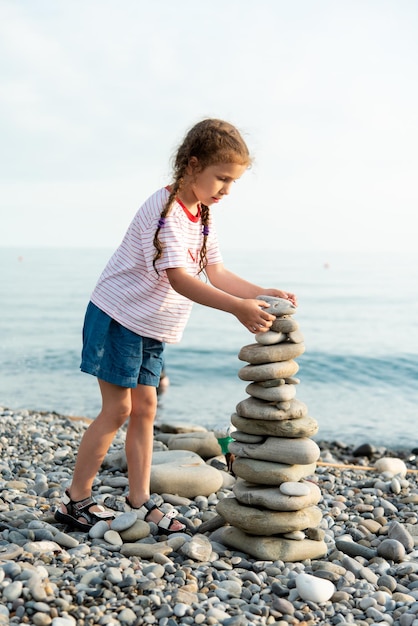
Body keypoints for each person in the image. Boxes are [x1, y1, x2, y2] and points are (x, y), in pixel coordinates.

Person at [54, 118, 297, 534]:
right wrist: (238, 309)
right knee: (118, 410)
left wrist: (257, 292)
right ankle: (76, 500)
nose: (226, 190)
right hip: (119, 315)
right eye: (221, 178)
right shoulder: (165, 210)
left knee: (146, 409)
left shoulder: (201, 215)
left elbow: (215, 271)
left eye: (232, 182)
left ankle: (140, 500)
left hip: (150, 324)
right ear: (191, 165)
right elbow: (180, 279)